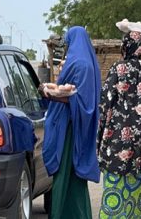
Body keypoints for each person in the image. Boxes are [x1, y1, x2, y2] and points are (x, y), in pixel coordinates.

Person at [96, 19, 141, 219]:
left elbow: (104, 107)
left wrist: (99, 142)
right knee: (139, 192)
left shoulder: (117, 70)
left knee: (114, 192)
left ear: (125, 47)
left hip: (115, 144)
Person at [40, 26, 101, 218]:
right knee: (71, 178)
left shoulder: (81, 65)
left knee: (65, 175)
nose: (67, 46)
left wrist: (53, 95)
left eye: (68, 42)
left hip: (69, 130)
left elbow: (84, 102)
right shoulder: (83, 62)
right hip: (69, 126)